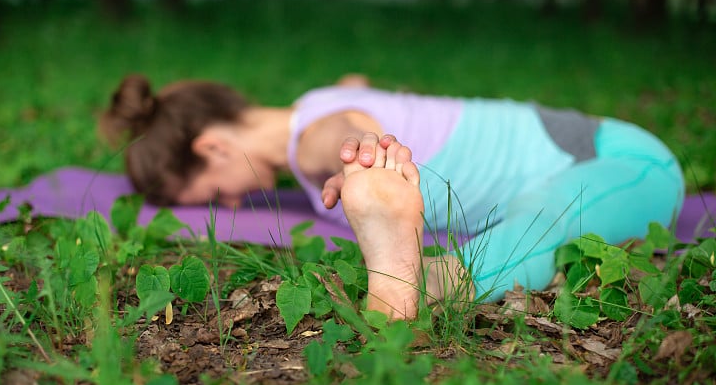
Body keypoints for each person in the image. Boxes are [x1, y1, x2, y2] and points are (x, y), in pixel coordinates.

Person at [100, 73, 684, 319]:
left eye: (208, 194)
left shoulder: (314, 140)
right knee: (536, 217)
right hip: (562, 173)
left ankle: (430, 281)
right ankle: (419, 277)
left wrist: (361, 156)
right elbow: (351, 94)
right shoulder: (313, 101)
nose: (227, 207)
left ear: (214, 148)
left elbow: (340, 132)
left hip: (624, 162)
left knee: (543, 223)